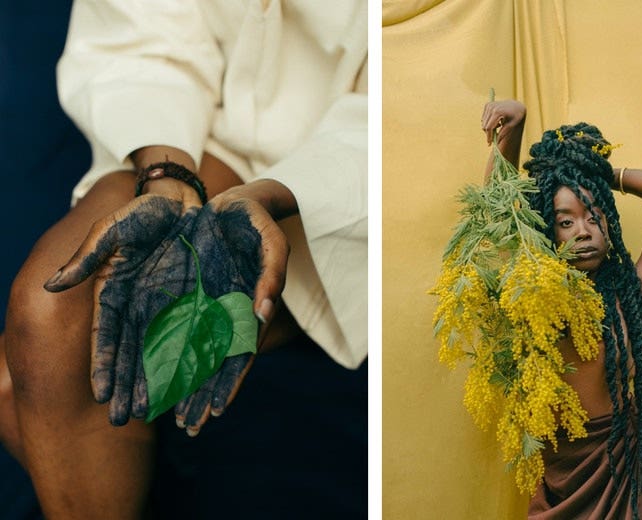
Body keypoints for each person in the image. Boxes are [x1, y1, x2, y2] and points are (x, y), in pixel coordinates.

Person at [0, 1, 368, 518]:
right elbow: (144, 29)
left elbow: (412, 103)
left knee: (21, 384)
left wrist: (270, 198)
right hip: (197, 129)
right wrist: (166, 174)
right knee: (46, 319)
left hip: (345, 172)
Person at [480, 100, 642, 519]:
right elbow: (500, 212)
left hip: (636, 474)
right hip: (565, 477)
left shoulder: (634, 296)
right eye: (565, 221)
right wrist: (512, 132)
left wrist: (599, 175)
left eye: (595, 216)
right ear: (547, 231)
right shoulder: (533, 293)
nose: (584, 232)